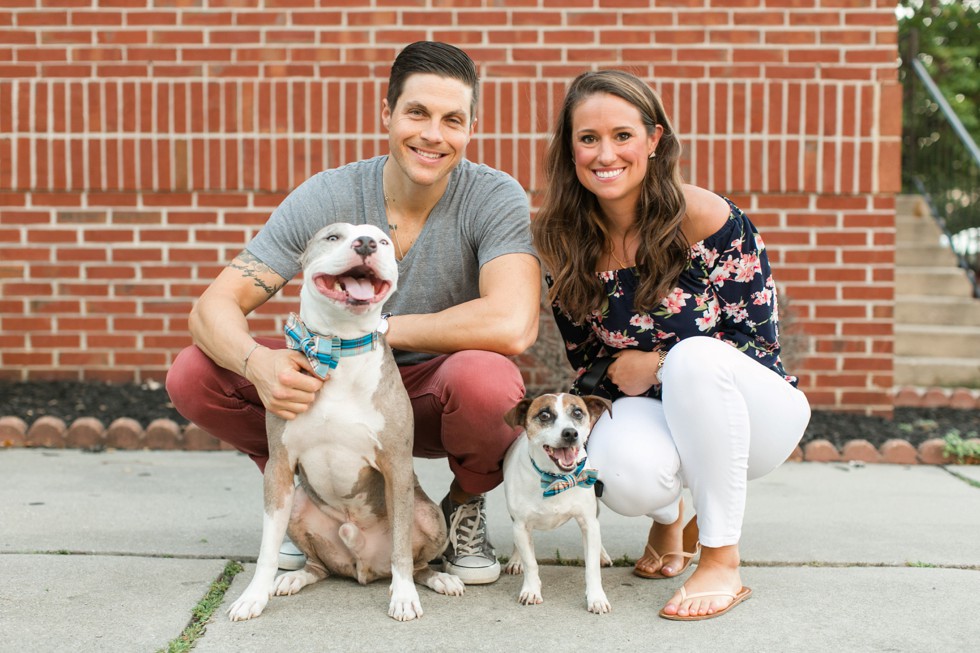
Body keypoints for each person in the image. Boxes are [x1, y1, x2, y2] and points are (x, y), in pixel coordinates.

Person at [165, 41, 541, 586]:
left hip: (430, 389)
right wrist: (257, 365)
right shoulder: (329, 196)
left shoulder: (492, 196)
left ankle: (463, 505)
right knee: (195, 374)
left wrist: (375, 328)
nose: (433, 135)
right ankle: (302, 502)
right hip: (323, 380)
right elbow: (212, 308)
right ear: (386, 114)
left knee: (488, 382)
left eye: (452, 120)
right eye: (417, 113)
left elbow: (513, 324)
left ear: (470, 128)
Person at [531, 70, 810, 620]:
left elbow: (759, 345)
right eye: (587, 139)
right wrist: (635, 375)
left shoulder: (706, 218)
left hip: (758, 415)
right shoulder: (564, 243)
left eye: (622, 135)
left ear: (654, 140)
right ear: (570, 149)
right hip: (662, 415)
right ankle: (668, 518)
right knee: (619, 472)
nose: (604, 153)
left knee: (694, 357)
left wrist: (658, 364)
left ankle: (721, 560)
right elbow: (590, 366)